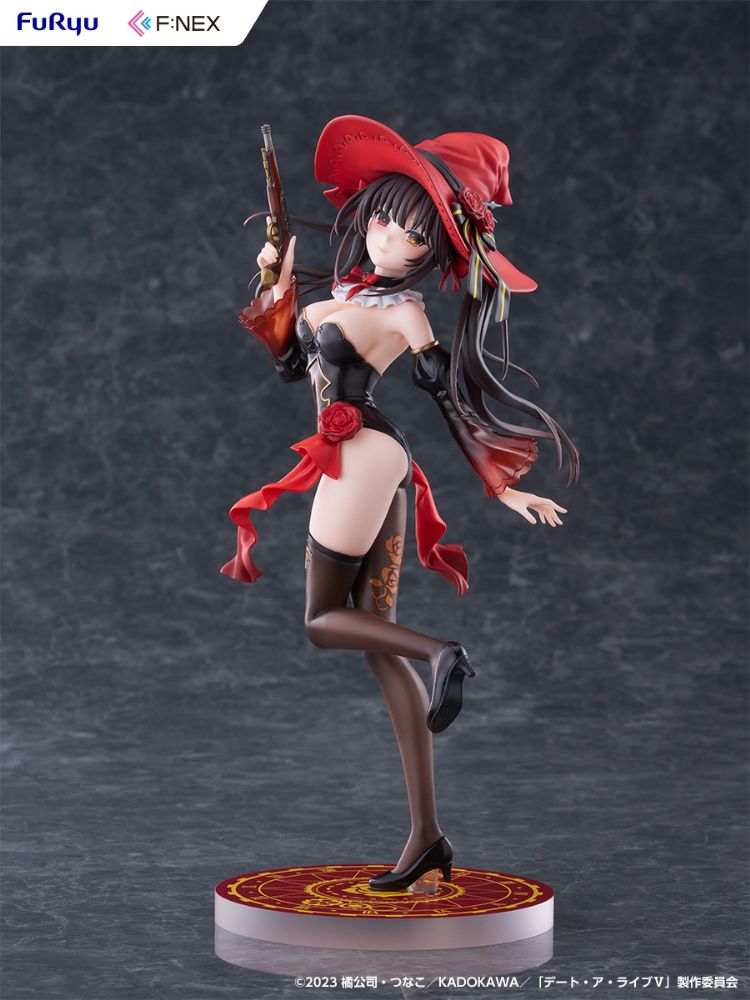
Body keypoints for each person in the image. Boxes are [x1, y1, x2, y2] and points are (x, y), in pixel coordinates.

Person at [220, 116, 579, 893]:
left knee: (323, 620)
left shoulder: (404, 311)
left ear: (436, 253)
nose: (391, 239)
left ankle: (442, 651)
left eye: (416, 236)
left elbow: (448, 395)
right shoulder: (343, 294)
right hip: (365, 458)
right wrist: (273, 283)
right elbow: (291, 367)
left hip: (362, 454)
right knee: (375, 645)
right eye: (385, 218)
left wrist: (500, 483)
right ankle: (428, 836)